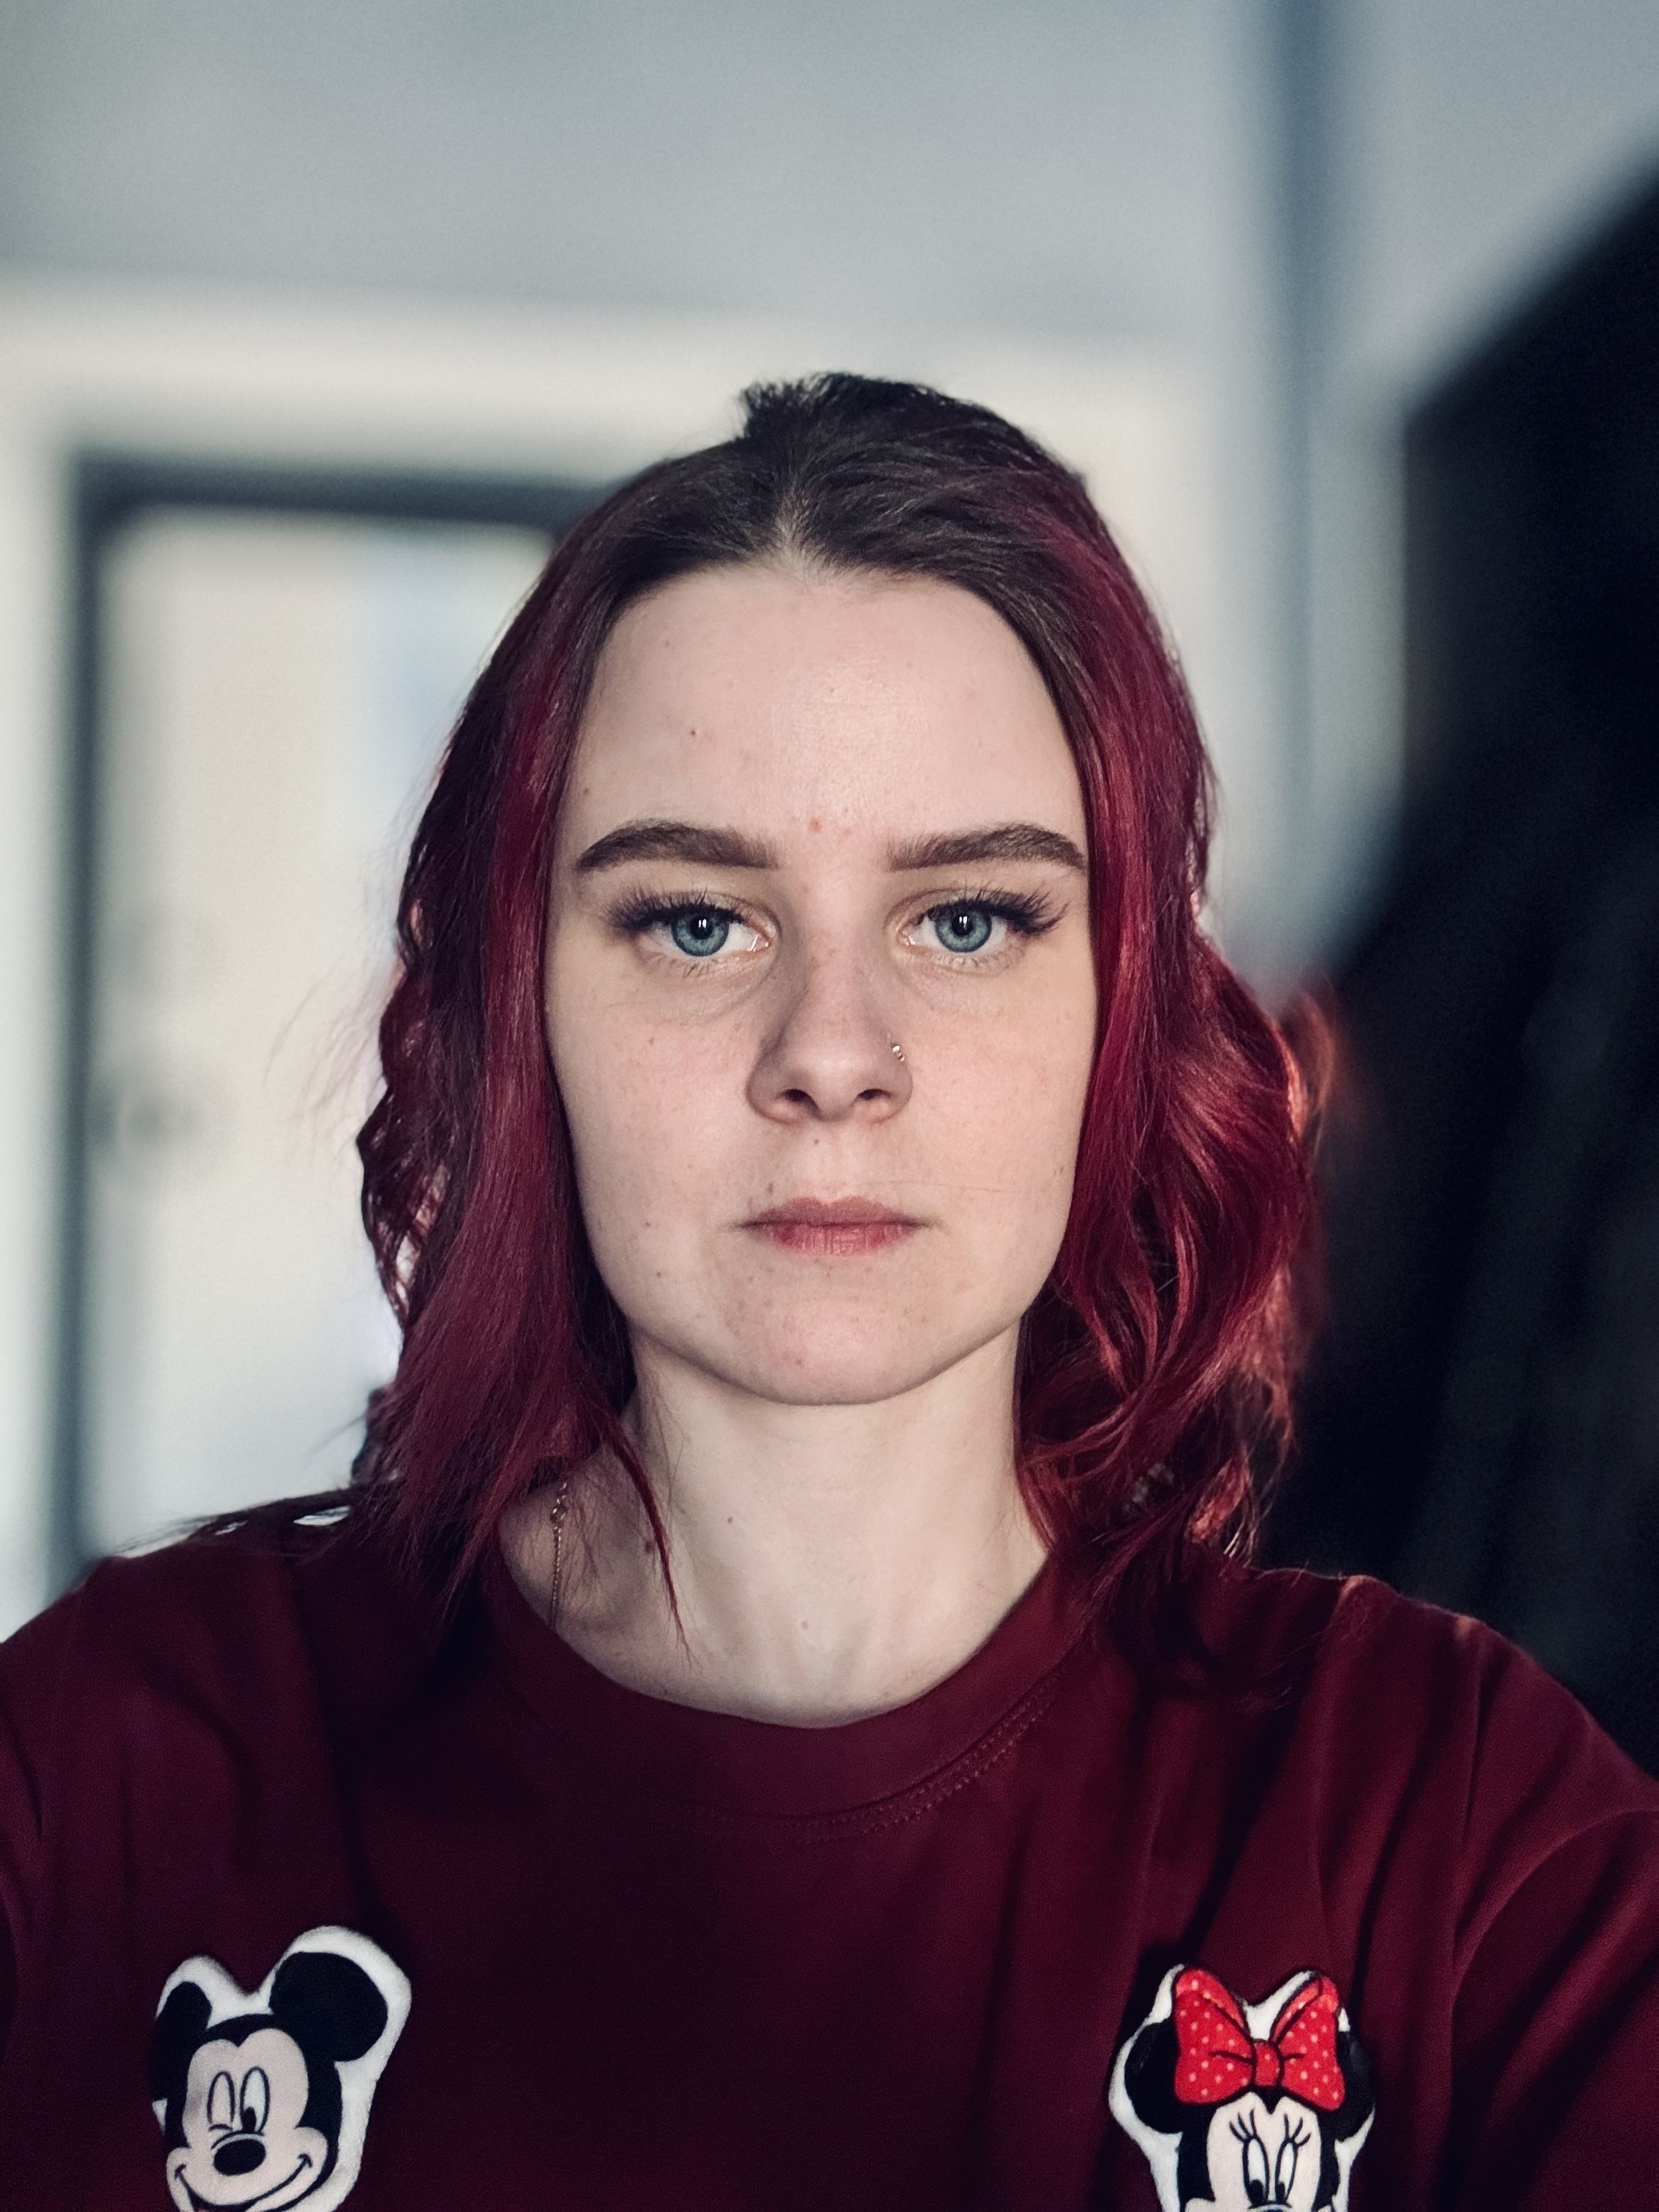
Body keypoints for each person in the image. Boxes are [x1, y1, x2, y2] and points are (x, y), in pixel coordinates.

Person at [0, 374, 1654, 2212]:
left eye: (969, 919)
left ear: (1124, 1017)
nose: (833, 1054)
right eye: (698, 920)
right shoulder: (105, 1765)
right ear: (518, 1014)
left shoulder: (1466, 1832)